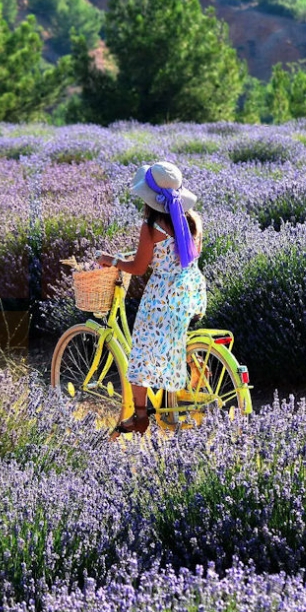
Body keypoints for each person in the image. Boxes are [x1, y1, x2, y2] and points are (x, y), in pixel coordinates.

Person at [97, 160, 207, 433]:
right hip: (191, 292)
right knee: (173, 338)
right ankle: (190, 377)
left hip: (163, 297)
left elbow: (138, 267)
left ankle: (141, 416)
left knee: (141, 357)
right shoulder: (193, 221)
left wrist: (112, 261)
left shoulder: (151, 227)